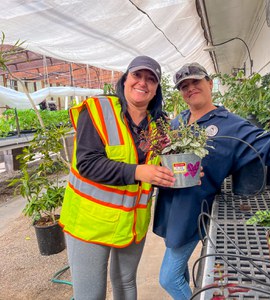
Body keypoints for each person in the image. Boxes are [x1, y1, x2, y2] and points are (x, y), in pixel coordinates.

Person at [153, 62, 270, 299]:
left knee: (168, 278)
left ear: (210, 83)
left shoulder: (231, 125)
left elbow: (267, 146)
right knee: (178, 270)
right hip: (171, 208)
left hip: (193, 211)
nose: (190, 88)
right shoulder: (178, 122)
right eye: (184, 86)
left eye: (195, 82)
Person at [59, 55, 176, 300]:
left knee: (125, 284)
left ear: (156, 90)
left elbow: (165, 166)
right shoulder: (98, 110)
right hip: (90, 221)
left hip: (131, 221)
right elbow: (88, 163)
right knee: (91, 294)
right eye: (137, 75)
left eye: (151, 79)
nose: (142, 83)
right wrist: (137, 172)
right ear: (125, 80)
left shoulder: (161, 124)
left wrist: (185, 171)